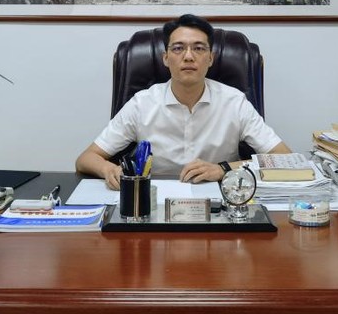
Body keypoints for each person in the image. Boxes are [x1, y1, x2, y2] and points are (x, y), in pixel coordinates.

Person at [75, 14, 292, 189]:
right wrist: (108, 170)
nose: (188, 56)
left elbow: (284, 158)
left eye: (199, 48)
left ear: (210, 58)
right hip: (154, 199)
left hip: (222, 198)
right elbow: (86, 159)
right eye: (178, 48)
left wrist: (224, 169)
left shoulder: (234, 102)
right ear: (165, 58)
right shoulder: (142, 104)